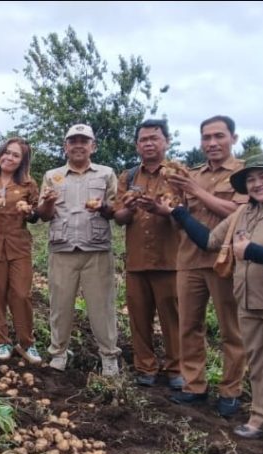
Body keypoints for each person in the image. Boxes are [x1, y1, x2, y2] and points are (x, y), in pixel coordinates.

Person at [164, 154, 263, 454]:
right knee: (259, 364)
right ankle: (262, 419)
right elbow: (210, 241)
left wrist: (252, 251)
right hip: (250, 301)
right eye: (251, 179)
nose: (257, 184)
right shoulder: (243, 213)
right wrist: (180, 213)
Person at [156, 116, 247, 417]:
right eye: (206, 137)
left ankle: (231, 390)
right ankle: (195, 385)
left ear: (233, 138)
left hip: (224, 261)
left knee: (230, 329)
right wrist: (166, 208)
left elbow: (235, 214)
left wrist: (195, 191)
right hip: (189, 260)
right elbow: (181, 213)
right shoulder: (191, 174)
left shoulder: (243, 174)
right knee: (189, 326)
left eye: (219, 136)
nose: (212, 143)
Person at [36, 124, 120, 376]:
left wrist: (103, 207)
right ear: (65, 147)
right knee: (60, 306)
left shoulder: (105, 174)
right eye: (73, 141)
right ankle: (58, 353)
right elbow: (43, 214)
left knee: (102, 307)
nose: (79, 145)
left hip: (96, 249)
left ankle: (108, 356)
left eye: (84, 141)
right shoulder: (53, 176)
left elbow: (116, 210)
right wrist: (48, 203)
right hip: (62, 249)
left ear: (93, 146)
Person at [112, 119, 182, 388]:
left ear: (166, 141)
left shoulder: (179, 174)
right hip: (137, 260)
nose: (149, 143)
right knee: (138, 316)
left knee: (172, 317)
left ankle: (176, 368)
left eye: (154, 138)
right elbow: (119, 217)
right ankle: (145, 366)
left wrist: (166, 211)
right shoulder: (129, 177)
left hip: (170, 259)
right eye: (144, 139)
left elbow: (190, 214)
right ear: (137, 145)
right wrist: (129, 208)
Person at [0, 136, 43, 364]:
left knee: (21, 294)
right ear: (0, 153)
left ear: (22, 161)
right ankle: (3, 340)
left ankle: (26, 342)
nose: (9, 158)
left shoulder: (28, 185)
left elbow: (36, 215)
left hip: (18, 245)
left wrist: (29, 213)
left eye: (16, 155)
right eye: (7, 152)